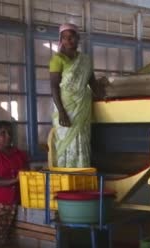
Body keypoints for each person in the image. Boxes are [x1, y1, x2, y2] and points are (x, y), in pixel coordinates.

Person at [49, 23, 103, 167]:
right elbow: (54, 87)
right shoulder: (57, 59)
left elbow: (92, 83)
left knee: (82, 141)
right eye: (65, 38)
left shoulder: (85, 60)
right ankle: (66, 179)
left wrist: (105, 98)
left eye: (72, 37)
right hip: (66, 108)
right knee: (66, 143)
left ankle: (82, 177)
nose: (69, 40)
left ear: (78, 38)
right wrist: (61, 112)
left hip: (82, 108)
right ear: (61, 40)